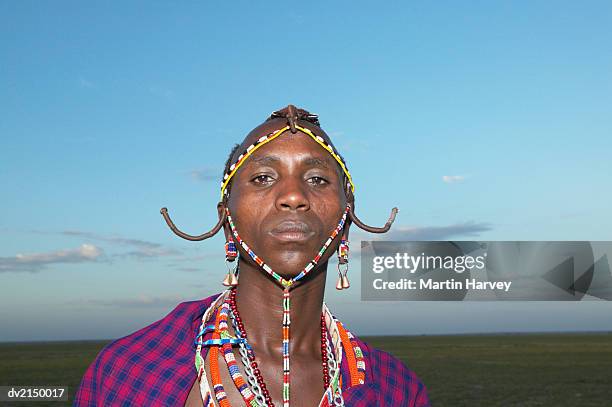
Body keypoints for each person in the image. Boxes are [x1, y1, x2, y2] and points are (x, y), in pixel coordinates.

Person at [74, 105, 430, 406]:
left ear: (347, 219)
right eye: (262, 177)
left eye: (318, 179)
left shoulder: (394, 388)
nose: (292, 195)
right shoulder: (132, 368)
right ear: (226, 220)